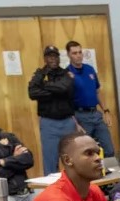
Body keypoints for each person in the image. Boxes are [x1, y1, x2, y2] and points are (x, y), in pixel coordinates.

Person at [28, 45, 78, 176]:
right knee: (50, 162)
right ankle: (53, 188)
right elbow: (32, 93)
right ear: (45, 59)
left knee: (73, 159)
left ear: (59, 58)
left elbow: (64, 88)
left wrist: (43, 86)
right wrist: (54, 91)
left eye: (55, 56)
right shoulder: (39, 74)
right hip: (49, 124)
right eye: (50, 56)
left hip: (67, 123)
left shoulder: (66, 73)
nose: (53, 59)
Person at [65, 41, 114, 158]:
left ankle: (107, 169)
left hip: (96, 114)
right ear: (68, 55)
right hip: (80, 116)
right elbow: (66, 102)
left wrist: (106, 111)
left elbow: (97, 92)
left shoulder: (90, 69)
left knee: (109, 150)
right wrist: (75, 123)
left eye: (80, 52)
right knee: (86, 152)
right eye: (74, 53)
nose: (78, 55)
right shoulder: (67, 73)